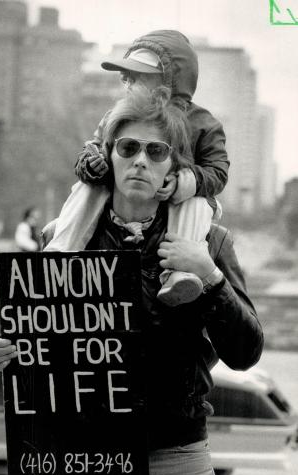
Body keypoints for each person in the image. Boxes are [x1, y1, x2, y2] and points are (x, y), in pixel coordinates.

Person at [0, 88, 263, 475]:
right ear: (109, 156)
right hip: (86, 456)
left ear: (174, 167)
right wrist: (15, 351)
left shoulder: (208, 241)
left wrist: (208, 274)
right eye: (128, 147)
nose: (140, 160)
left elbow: (246, 352)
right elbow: (44, 357)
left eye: (156, 151)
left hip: (175, 456)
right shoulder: (61, 237)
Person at [47, 30, 229, 307]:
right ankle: (61, 251)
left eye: (139, 75)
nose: (129, 82)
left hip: (182, 196)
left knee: (195, 205)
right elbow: (93, 147)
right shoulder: (117, 116)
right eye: (126, 76)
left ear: (170, 79)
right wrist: (93, 164)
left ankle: (180, 273)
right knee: (86, 189)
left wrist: (186, 182)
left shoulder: (203, 123)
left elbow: (218, 170)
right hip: (124, 201)